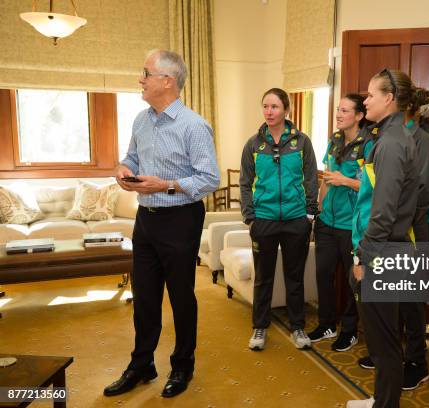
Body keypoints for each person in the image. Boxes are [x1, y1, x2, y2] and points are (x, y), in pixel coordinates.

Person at [104, 49, 220, 398]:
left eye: (146, 73)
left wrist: (165, 184)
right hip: (146, 219)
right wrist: (123, 169)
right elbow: (131, 157)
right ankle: (142, 365)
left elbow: (209, 178)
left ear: (167, 81)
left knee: (181, 297)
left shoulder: (194, 126)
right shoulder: (141, 120)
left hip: (181, 219)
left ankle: (183, 366)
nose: (140, 79)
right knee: (144, 296)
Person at [347, 68, 424, 408]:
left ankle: (386, 403)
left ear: (389, 98)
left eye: (371, 95)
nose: (365, 100)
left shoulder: (392, 143)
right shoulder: (390, 136)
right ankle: (382, 398)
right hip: (386, 249)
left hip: (384, 252)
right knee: (382, 340)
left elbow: (384, 211)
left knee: (385, 343)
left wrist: (364, 256)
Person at [239, 88, 319, 351]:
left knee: (294, 278)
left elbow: (310, 179)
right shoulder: (253, 144)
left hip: (296, 220)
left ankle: (298, 328)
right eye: (265, 106)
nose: (269, 112)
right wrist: (250, 218)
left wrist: (308, 215)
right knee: (263, 277)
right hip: (264, 221)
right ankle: (259, 328)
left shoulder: (301, 142)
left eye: (274, 107)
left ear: (287, 110)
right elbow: (245, 183)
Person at [307, 94, 373, 352]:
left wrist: (345, 181)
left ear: (358, 116)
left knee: (351, 280)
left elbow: (373, 185)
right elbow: (325, 179)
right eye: (337, 109)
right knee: (322, 274)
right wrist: (317, 212)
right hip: (327, 222)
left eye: (344, 110)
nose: (338, 114)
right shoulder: (334, 140)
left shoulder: (369, 144)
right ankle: (326, 324)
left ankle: (349, 329)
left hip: (351, 225)